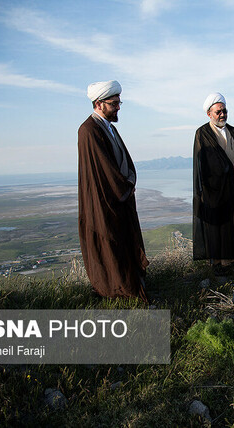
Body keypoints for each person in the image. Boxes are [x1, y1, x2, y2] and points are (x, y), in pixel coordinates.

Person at [77, 80, 148, 301]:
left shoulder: (109, 128)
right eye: (114, 103)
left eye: (119, 102)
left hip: (119, 198)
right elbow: (104, 170)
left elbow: (123, 160)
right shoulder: (88, 130)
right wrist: (124, 186)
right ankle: (116, 291)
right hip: (104, 202)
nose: (118, 107)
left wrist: (129, 182)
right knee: (111, 245)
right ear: (99, 104)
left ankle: (130, 286)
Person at [193, 92, 234, 274]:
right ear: (209, 114)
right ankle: (221, 263)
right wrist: (230, 168)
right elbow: (207, 161)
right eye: (218, 112)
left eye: (224, 111)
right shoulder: (203, 133)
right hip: (216, 189)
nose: (222, 115)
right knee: (220, 224)